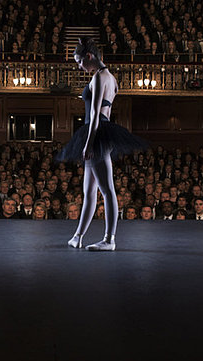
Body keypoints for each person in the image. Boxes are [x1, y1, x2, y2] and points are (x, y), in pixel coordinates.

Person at [56, 37, 148, 251]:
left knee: (107, 190)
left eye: (79, 61)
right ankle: (78, 236)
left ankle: (109, 239)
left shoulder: (99, 78)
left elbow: (96, 112)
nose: (79, 66)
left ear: (89, 57)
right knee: (89, 191)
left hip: (96, 133)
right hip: (100, 132)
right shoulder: (112, 79)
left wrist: (88, 144)